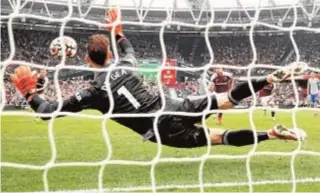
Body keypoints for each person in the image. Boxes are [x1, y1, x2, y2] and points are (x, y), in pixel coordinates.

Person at [10, 8, 307, 149]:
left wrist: (29, 93)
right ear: (110, 55)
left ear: (87, 59)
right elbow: (127, 47)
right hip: (173, 103)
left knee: (222, 138)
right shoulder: (126, 63)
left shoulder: (91, 93)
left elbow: (47, 113)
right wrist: (117, 28)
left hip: (162, 131)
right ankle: (267, 76)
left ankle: (269, 135)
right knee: (227, 99)